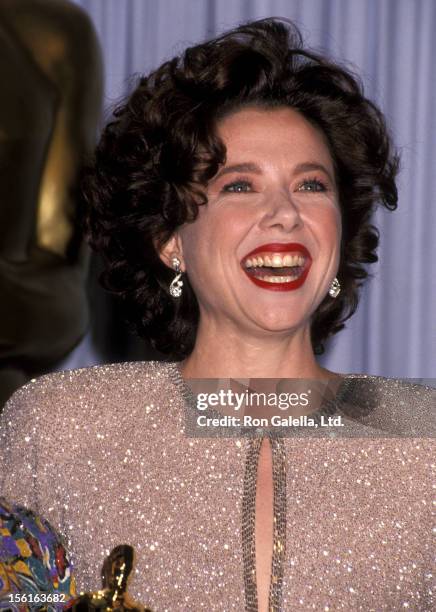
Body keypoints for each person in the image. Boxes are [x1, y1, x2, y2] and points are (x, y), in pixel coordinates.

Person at [0, 18, 434, 612]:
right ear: (169, 238)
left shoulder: (425, 438)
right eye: (238, 187)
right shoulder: (60, 427)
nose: (284, 214)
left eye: (311, 185)